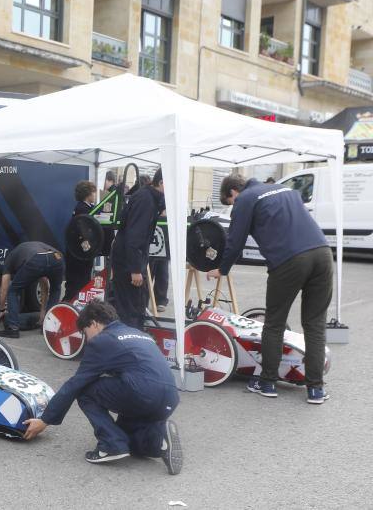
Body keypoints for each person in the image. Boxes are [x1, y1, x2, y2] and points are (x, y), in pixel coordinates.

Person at [207, 174, 332, 404]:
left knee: (274, 323)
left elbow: (235, 240)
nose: (233, 206)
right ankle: (316, 389)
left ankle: (267, 382)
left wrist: (222, 269)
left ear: (234, 192)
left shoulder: (245, 199)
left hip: (289, 260)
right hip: (323, 254)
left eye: (230, 201)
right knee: (315, 325)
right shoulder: (284, 189)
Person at [22, 300, 182, 474]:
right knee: (132, 442)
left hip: (143, 393)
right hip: (169, 398)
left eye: (85, 332)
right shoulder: (136, 333)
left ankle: (112, 445)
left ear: (94, 323)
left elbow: (76, 383)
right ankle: (160, 440)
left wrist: (45, 420)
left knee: (85, 391)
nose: (86, 339)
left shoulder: (103, 341)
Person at [110, 168, 165, 328]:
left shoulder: (149, 197)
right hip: (127, 261)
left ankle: (135, 336)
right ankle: (131, 341)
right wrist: (135, 269)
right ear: (161, 183)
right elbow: (134, 237)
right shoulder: (145, 200)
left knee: (137, 303)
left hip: (131, 258)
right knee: (131, 308)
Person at [0, 241, 64, 338]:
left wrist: (2, 309)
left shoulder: (9, 259)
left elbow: (4, 288)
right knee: (55, 290)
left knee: (13, 291)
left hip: (37, 258)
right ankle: (48, 327)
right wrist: (42, 312)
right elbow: (44, 285)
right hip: (57, 257)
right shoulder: (27, 249)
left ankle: (13, 328)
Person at [63, 180, 103, 301]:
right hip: (79, 255)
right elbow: (85, 233)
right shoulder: (83, 209)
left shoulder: (85, 208)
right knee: (76, 285)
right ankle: (67, 307)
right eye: (93, 192)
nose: (95, 195)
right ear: (88, 194)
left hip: (78, 254)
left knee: (78, 283)